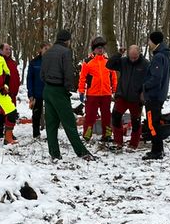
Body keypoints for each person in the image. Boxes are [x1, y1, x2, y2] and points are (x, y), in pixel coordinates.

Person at [39, 28, 93, 161]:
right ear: (68, 40)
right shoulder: (66, 52)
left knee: (51, 124)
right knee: (69, 123)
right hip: (59, 90)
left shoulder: (47, 52)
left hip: (47, 90)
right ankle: (82, 152)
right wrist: (69, 88)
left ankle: (54, 153)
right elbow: (68, 72)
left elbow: (42, 74)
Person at [106, 44, 148, 150]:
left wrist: (144, 93)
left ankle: (133, 144)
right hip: (122, 95)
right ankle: (118, 142)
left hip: (136, 98)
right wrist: (118, 54)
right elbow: (109, 65)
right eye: (131, 56)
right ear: (128, 53)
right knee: (115, 117)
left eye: (135, 56)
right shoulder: (123, 61)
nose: (133, 59)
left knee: (136, 122)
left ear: (139, 53)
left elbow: (149, 80)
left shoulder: (145, 64)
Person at [77, 37, 117, 143]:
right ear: (94, 49)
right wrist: (81, 91)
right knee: (90, 116)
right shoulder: (87, 62)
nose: (100, 49)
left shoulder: (108, 62)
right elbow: (82, 78)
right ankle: (87, 135)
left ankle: (107, 135)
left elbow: (113, 76)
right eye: (98, 48)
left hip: (106, 94)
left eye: (102, 47)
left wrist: (115, 90)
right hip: (92, 94)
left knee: (107, 116)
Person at [141, 30, 170, 161]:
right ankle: (158, 148)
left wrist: (145, 86)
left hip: (154, 96)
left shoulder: (159, 57)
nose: (148, 43)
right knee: (154, 122)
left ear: (154, 42)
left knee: (152, 124)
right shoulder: (165, 55)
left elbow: (156, 78)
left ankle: (156, 150)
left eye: (149, 41)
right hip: (158, 95)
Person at [0, 42, 21, 140]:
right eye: (6, 49)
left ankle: (9, 132)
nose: (8, 51)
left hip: (13, 92)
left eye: (9, 49)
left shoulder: (12, 62)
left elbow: (15, 75)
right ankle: (0, 132)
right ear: (1, 50)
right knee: (2, 113)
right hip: (3, 92)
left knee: (11, 113)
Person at [26, 43, 48, 139]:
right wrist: (30, 94)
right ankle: (36, 134)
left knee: (50, 114)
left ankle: (50, 134)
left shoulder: (52, 62)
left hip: (49, 92)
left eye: (49, 49)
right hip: (37, 93)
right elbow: (29, 78)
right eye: (45, 49)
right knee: (36, 114)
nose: (47, 51)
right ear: (41, 50)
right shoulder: (34, 62)